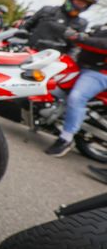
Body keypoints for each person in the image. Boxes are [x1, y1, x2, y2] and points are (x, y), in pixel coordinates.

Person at [45, 21, 107, 157]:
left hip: (99, 73)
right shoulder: (103, 26)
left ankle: (66, 138)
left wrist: (81, 38)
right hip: (82, 66)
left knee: (77, 97)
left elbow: (103, 45)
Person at [23, 0, 96, 51]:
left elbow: (74, 47)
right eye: (79, 1)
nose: (81, 4)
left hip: (56, 59)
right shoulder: (48, 10)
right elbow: (25, 27)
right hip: (30, 51)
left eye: (84, 3)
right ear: (70, 0)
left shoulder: (81, 23)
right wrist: (22, 43)